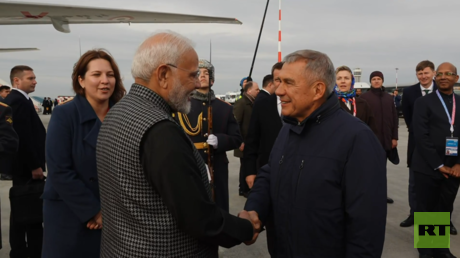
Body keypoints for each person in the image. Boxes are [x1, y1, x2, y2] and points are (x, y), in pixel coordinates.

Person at [97, 31, 257, 257]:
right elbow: (198, 218)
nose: (196, 83)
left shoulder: (117, 113)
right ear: (163, 74)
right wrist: (245, 228)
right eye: (192, 75)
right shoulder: (160, 130)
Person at [243, 49, 387, 257]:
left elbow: (366, 229)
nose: (278, 91)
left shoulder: (357, 138)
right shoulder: (289, 128)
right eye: (279, 82)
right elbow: (270, 172)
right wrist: (254, 209)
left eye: (288, 83)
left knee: (435, 215)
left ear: (318, 90)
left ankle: (434, 249)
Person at [41, 50, 125, 258]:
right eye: (96, 75)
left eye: (110, 74)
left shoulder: (122, 115)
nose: (105, 81)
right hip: (71, 214)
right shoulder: (64, 114)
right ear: (81, 80)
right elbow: (59, 171)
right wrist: (94, 212)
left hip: (114, 217)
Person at [175, 59, 242, 212]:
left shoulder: (225, 108)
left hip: (217, 166)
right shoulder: (182, 106)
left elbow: (237, 138)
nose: (203, 76)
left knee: (218, 207)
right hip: (191, 165)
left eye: (206, 73)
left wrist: (221, 140)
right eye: (199, 73)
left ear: (212, 80)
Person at [412, 62, 460, 258]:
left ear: (456, 78)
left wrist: (459, 163)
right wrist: (439, 165)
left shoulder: (459, 101)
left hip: (454, 169)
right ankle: (426, 251)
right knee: (426, 209)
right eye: (439, 74)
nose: (443, 77)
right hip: (428, 166)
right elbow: (421, 137)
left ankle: (440, 249)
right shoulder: (423, 103)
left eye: (448, 73)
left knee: (444, 208)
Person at [243, 61, 284, 256]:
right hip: (268, 171)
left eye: (287, 80)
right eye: (278, 80)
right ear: (272, 81)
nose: (281, 85)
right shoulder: (263, 103)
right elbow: (252, 139)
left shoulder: (302, 107)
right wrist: (250, 170)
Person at [4, 65, 46, 258]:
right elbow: (23, 137)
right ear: (17, 81)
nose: (35, 81)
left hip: (25, 167)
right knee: (28, 212)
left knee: (21, 210)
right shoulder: (18, 101)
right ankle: (27, 251)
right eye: (31, 78)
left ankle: (22, 250)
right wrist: (34, 166)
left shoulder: (21, 100)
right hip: (27, 169)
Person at [400, 60, 439, 229]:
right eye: (420, 73)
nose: (423, 76)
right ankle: (416, 216)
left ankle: (436, 247)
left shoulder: (445, 93)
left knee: (439, 189)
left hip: (440, 147)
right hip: (417, 145)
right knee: (417, 184)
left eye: (426, 73)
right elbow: (409, 119)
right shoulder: (411, 94)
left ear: (434, 73)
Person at [360, 71, 399, 204]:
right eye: (374, 79)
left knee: (382, 169)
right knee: (369, 170)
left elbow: (394, 119)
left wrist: (394, 137)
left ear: (382, 81)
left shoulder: (389, 98)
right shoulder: (364, 98)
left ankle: (382, 194)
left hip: (386, 140)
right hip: (371, 140)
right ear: (370, 81)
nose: (376, 81)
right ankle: (369, 194)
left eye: (379, 79)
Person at [233, 81, 260, 197]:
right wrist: (240, 141)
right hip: (243, 142)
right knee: (244, 166)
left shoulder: (251, 103)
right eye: (257, 89)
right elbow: (236, 123)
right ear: (249, 91)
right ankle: (243, 189)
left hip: (249, 142)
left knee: (247, 164)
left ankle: (247, 188)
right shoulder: (241, 103)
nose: (258, 91)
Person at [334, 65, 376, 133]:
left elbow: (372, 128)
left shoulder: (362, 103)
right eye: (339, 78)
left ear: (352, 81)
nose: (343, 81)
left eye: (346, 78)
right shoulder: (329, 103)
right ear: (335, 81)